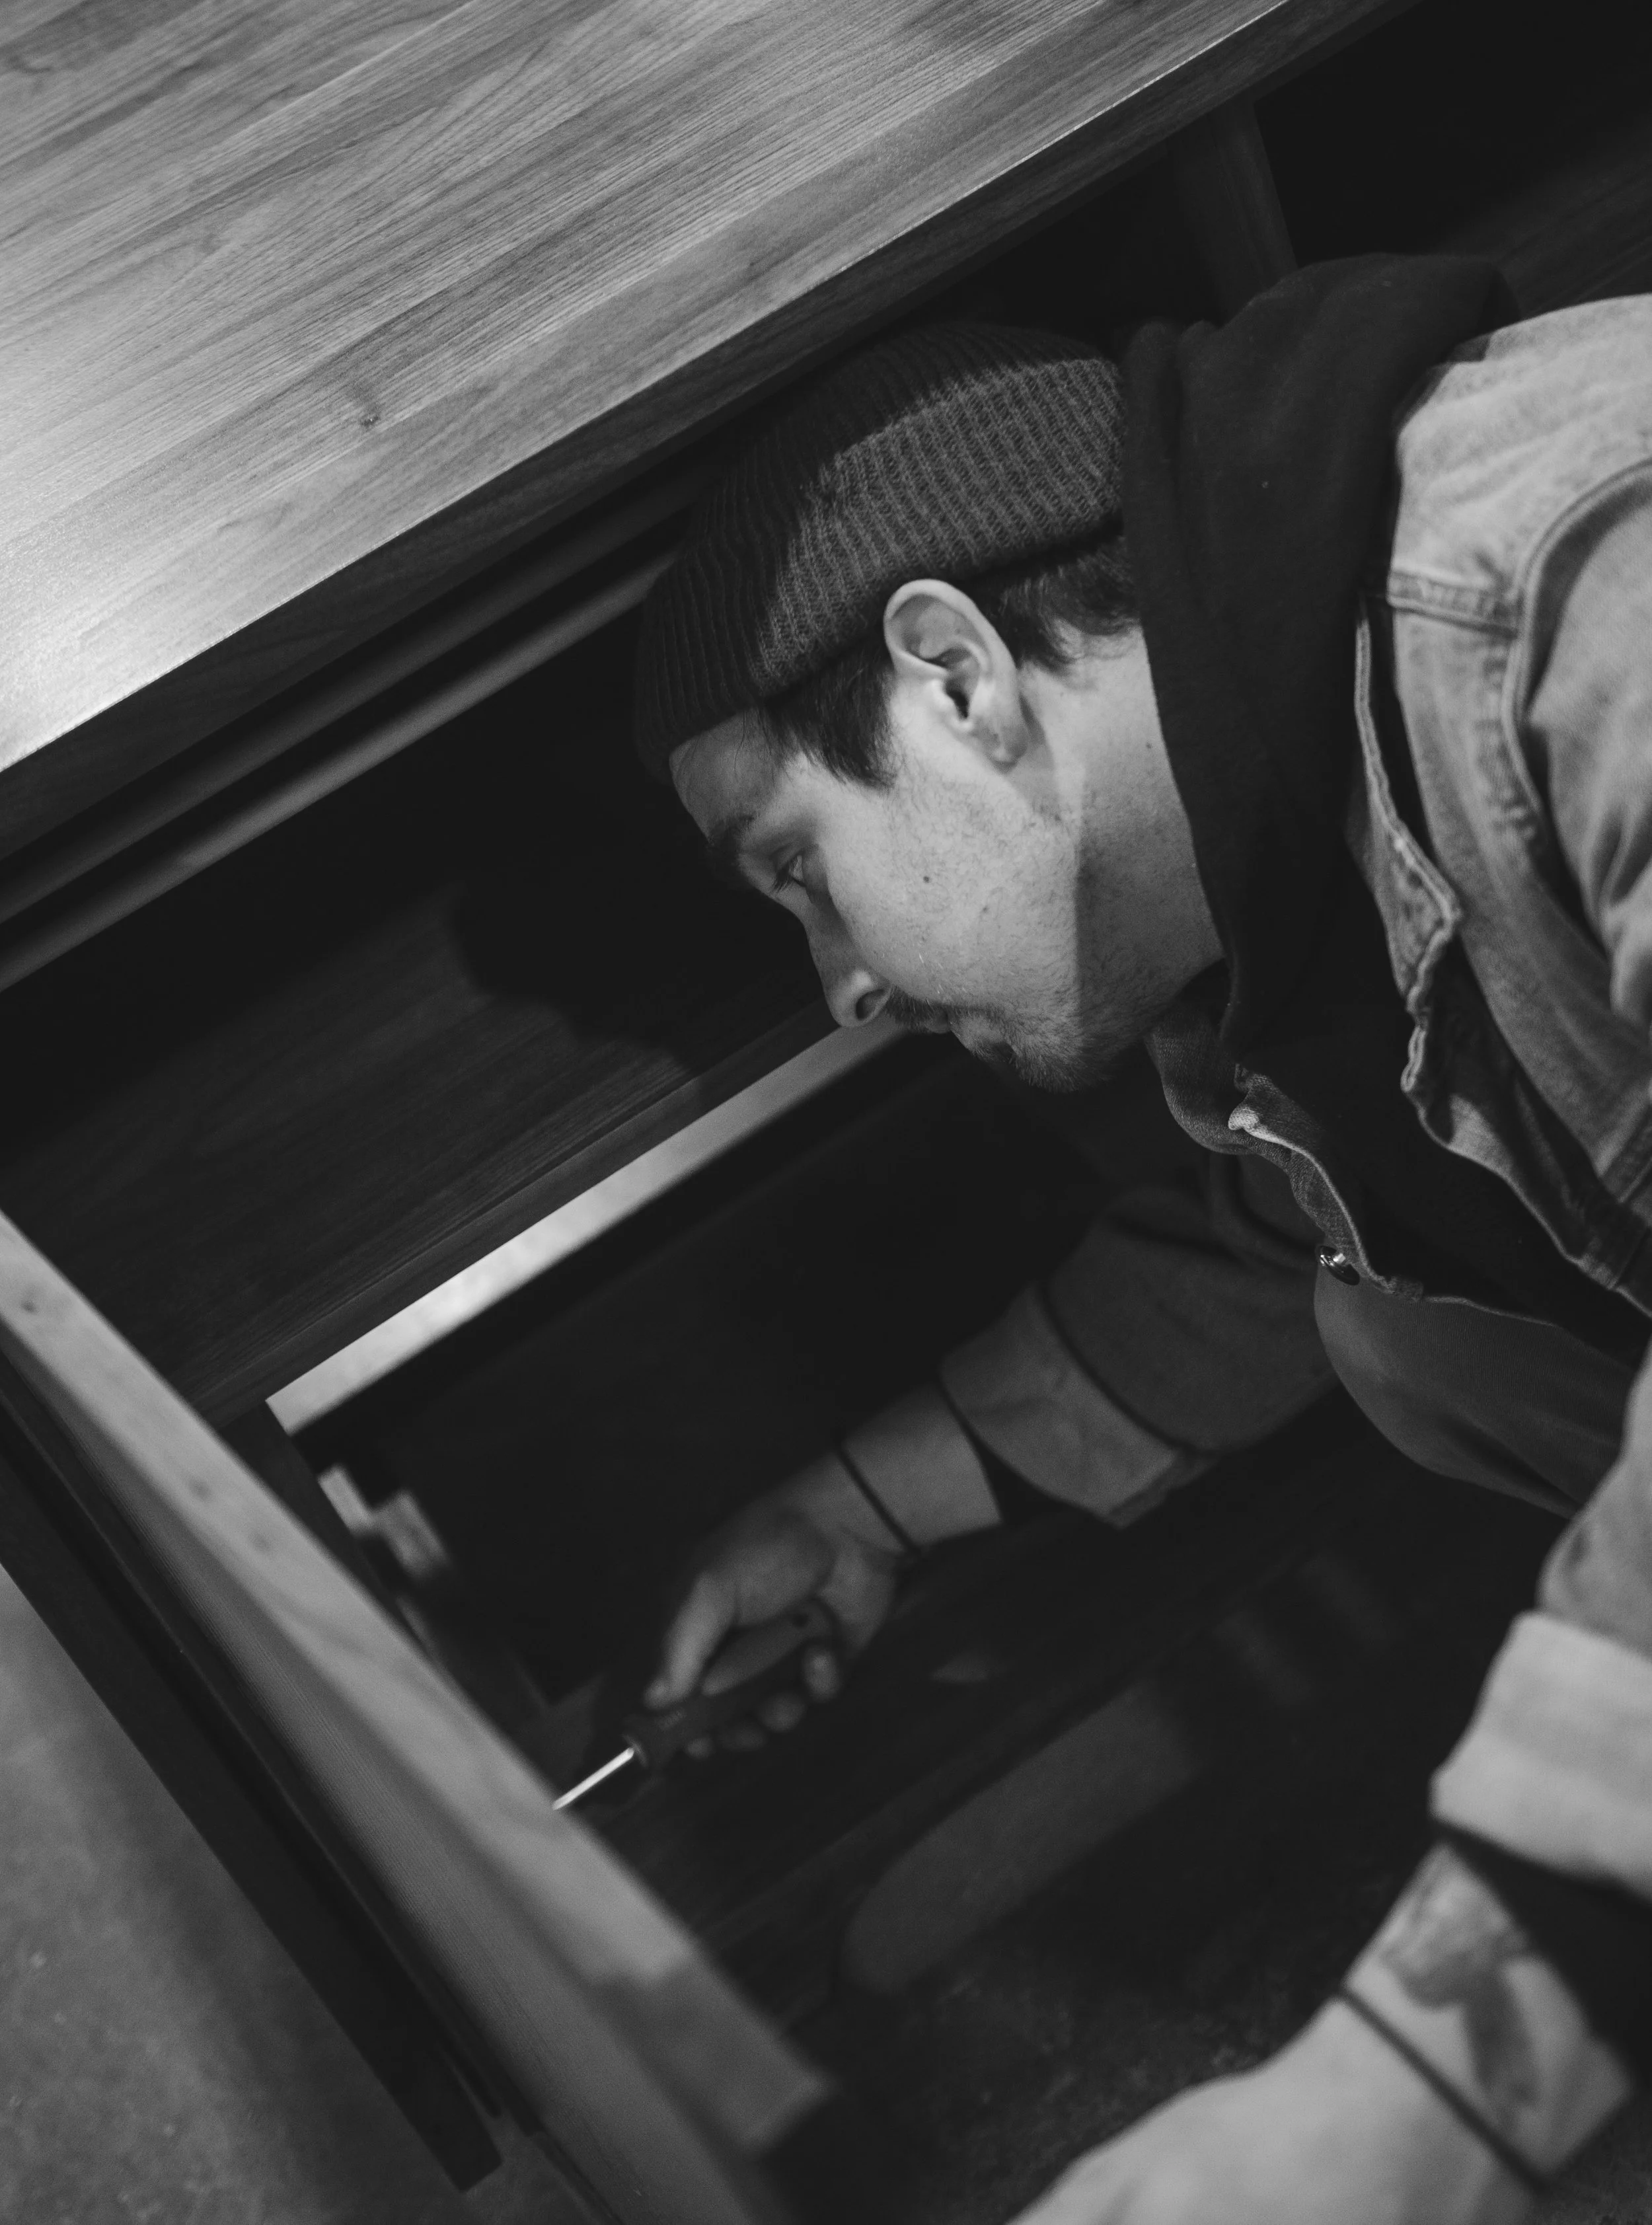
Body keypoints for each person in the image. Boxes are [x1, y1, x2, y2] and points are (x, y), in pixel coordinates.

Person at [629, 256, 1652, 2221]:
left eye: (800, 878)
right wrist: (860, 1503)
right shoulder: (1292, 838)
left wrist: (1415, 2091)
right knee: (1401, 1339)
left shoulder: (1577, 566)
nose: (837, 986)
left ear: (952, 676)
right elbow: (1299, 1253)